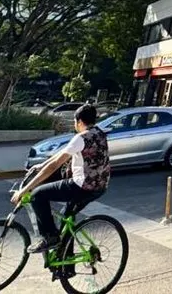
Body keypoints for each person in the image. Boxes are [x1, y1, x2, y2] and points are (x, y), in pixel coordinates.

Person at [10, 103, 110, 254]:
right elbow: (63, 153)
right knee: (66, 217)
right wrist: (42, 164)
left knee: (38, 194)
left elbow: (55, 165)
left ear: (79, 121)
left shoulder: (81, 137)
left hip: (82, 186)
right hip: (99, 186)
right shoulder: (99, 133)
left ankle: (49, 237)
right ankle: (65, 266)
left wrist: (24, 190)